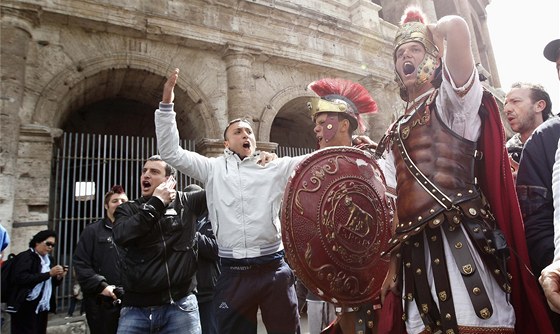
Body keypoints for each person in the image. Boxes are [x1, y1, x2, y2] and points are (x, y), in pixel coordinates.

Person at [376, 6, 553, 333]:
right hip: (416, 255)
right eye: (400, 53)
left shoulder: (451, 103)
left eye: (415, 49)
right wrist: (392, 266)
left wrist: (434, 28)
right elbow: (395, 206)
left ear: (433, 56)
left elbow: (458, 28)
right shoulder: (392, 134)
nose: (406, 57)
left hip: (460, 239)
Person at [155, 68, 307, 334]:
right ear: (226, 143)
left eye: (249, 131)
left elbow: (312, 162)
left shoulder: (272, 167)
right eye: (238, 131)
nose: (245, 134)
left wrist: (348, 145)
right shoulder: (211, 169)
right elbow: (170, 152)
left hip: (274, 268)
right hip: (232, 273)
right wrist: (167, 105)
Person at [303, 78, 379, 334]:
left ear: (344, 124)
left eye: (324, 123)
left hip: (371, 267)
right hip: (331, 268)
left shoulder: (373, 162)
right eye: (316, 124)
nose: (317, 129)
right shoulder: (309, 167)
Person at [112, 155, 207, 334]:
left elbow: (225, 187)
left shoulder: (187, 203)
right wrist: (156, 204)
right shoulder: (129, 209)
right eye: (144, 171)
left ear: (169, 180)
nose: (145, 175)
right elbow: (121, 235)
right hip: (136, 310)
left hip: (180, 307)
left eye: (154, 171)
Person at [72, 185, 128, 334]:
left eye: (123, 200)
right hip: (102, 304)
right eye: (115, 201)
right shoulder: (92, 231)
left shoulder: (136, 231)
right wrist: (102, 286)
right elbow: (80, 264)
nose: (120, 203)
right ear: (106, 205)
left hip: (131, 301)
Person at [6, 229, 68, 333]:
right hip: (25, 305)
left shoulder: (49, 260)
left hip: (42, 306)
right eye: (48, 244)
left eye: (53, 245)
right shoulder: (26, 257)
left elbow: (50, 284)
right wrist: (48, 274)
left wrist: (59, 277)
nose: (50, 247)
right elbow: (20, 278)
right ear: (37, 242)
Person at [185, 183, 220, 334]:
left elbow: (216, 249)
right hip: (185, 293)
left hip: (208, 292)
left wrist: (193, 233)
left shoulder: (213, 220)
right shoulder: (180, 219)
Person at [503, 82, 553, 174]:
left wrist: (528, 179)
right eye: (505, 104)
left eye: (515, 101)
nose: (506, 109)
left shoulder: (556, 143)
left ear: (539, 106)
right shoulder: (505, 154)